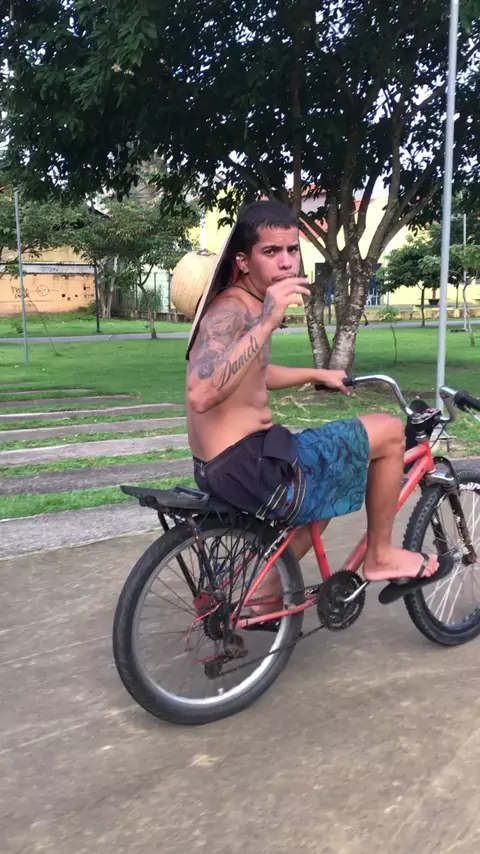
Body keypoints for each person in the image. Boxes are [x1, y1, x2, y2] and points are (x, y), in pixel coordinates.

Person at [186, 200, 441, 612]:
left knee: (330, 478)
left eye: (292, 250)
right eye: (271, 251)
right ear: (243, 261)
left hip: (229, 465)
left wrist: (318, 374)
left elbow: (254, 372)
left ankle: (266, 593)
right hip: (250, 467)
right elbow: (200, 394)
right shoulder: (234, 310)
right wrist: (268, 321)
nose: (287, 262)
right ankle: (380, 555)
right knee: (390, 429)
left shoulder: (244, 303)